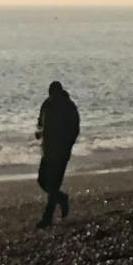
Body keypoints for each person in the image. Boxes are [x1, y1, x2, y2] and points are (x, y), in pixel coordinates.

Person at [34, 81, 80, 229]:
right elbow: (41, 123)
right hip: (47, 151)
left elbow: (75, 128)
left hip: (61, 152)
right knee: (42, 180)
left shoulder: (69, 106)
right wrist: (39, 132)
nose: (52, 96)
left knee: (53, 185)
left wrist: (67, 145)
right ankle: (62, 198)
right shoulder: (47, 104)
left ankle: (47, 218)